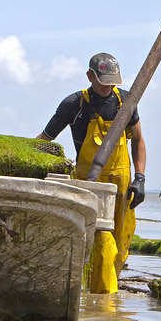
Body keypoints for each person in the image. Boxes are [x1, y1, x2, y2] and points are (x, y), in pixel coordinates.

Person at [36, 52, 147, 294]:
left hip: (121, 186)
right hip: (89, 184)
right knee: (99, 243)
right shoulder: (74, 104)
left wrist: (140, 178)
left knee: (121, 245)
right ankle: (102, 303)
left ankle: (104, 298)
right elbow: (44, 140)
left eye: (112, 83)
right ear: (89, 76)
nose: (108, 87)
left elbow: (138, 140)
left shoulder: (126, 102)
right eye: (103, 82)